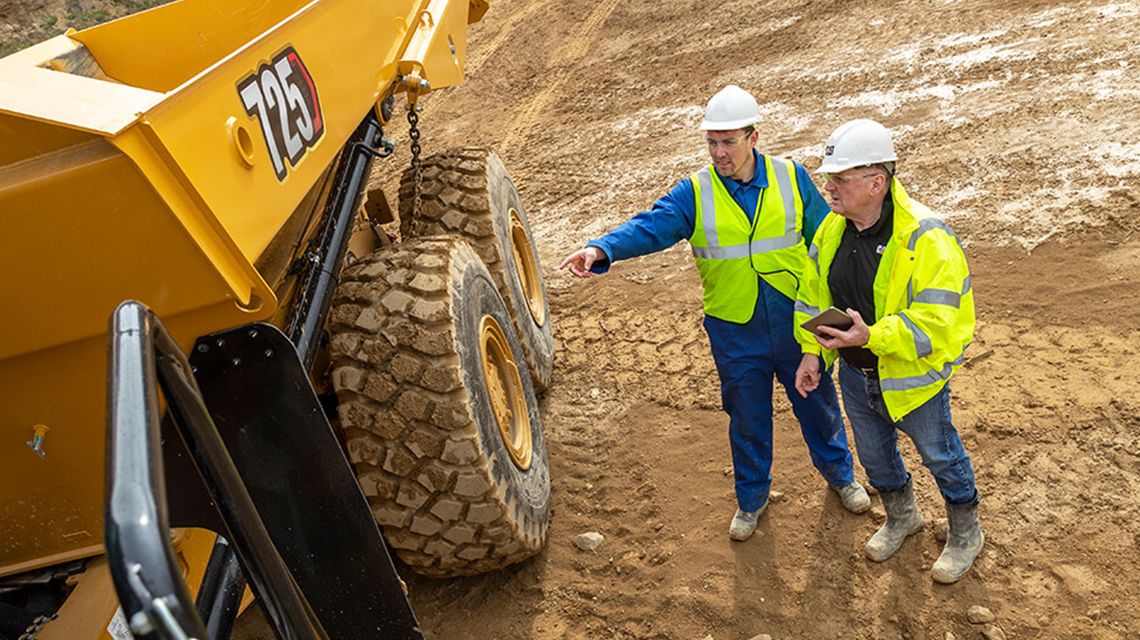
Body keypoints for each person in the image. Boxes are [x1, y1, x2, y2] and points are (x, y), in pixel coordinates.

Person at [560, 85, 869, 542]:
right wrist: (601, 248)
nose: (719, 152)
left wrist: (841, 313)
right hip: (733, 327)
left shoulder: (792, 178)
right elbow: (652, 226)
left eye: (728, 141)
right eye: (712, 142)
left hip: (801, 317)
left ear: (754, 137)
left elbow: (829, 242)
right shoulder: (696, 192)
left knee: (819, 402)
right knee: (746, 414)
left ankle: (841, 476)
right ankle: (751, 499)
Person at [793, 119, 983, 583]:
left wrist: (871, 337)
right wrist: (812, 353)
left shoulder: (926, 236)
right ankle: (903, 517)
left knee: (941, 455)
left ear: (876, 182)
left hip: (913, 380)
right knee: (875, 457)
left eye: (839, 178)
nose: (829, 187)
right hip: (856, 377)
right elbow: (813, 297)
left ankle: (966, 533)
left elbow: (938, 321)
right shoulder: (832, 232)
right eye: (828, 178)